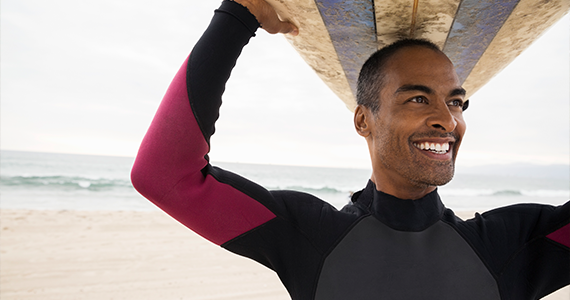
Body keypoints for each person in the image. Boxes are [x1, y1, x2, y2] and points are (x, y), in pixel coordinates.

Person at [131, 0, 570, 298]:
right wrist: (238, 17)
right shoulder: (308, 237)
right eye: (418, 98)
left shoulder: (511, 246)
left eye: (456, 101)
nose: (448, 119)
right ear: (364, 120)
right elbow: (164, 175)